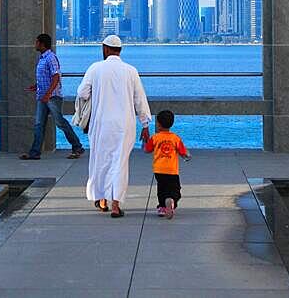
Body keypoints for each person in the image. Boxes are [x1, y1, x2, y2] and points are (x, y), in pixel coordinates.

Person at [77, 35, 152, 218]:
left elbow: (82, 92)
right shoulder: (131, 71)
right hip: (124, 124)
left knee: (100, 160)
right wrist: (145, 124)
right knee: (120, 163)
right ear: (120, 50)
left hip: (101, 123)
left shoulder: (95, 68)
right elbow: (139, 99)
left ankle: (102, 200)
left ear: (105, 49)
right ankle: (116, 204)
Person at [20, 33, 85, 160]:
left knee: (60, 123)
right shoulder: (42, 58)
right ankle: (35, 153)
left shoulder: (50, 58)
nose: (35, 44)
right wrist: (37, 86)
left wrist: (48, 94)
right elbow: (46, 77)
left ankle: (77, 147)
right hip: (42, 96)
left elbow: (56, 77)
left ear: (42, 44)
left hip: (52, 97)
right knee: (39, 124)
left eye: (36, 42)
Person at [142, 109, 190, 219]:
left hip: (159, 170)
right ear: (172, 124)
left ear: (158, 124)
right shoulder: (175, 138)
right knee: (175, 190)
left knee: (161, 189)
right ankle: (172, 201)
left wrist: (146, 141)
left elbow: (147, 150)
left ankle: (162, 207)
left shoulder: (155, 138)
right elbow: (183, 152)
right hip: (172, 170)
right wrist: (187, 156)